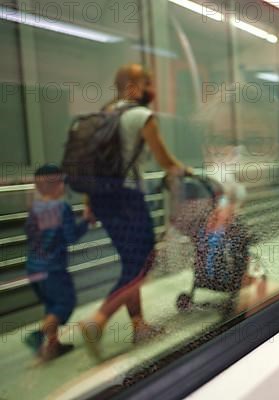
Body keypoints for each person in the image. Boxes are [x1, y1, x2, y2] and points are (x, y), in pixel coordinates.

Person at [79, 64, 191, 355]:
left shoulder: (103, 115)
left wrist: (89, 203)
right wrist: (184, 170)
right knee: (143, 263)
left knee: (132, 262)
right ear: (132, 87)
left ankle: (139, 326)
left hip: (102, 199)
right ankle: (99, 320)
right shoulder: (142, 116)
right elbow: (166, 160)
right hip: (127, 198)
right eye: (148, 82)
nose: (152, 88)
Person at [24, 165, 92, 361]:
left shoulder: (34, 208)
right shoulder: (62, 208)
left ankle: (54, 345)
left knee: (51, 305)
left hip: (33, 268)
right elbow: (71, 237)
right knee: (64, 303)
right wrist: (86, 221)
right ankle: (38, 336)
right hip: (53, 269)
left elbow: (30, 234)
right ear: (57, 185)